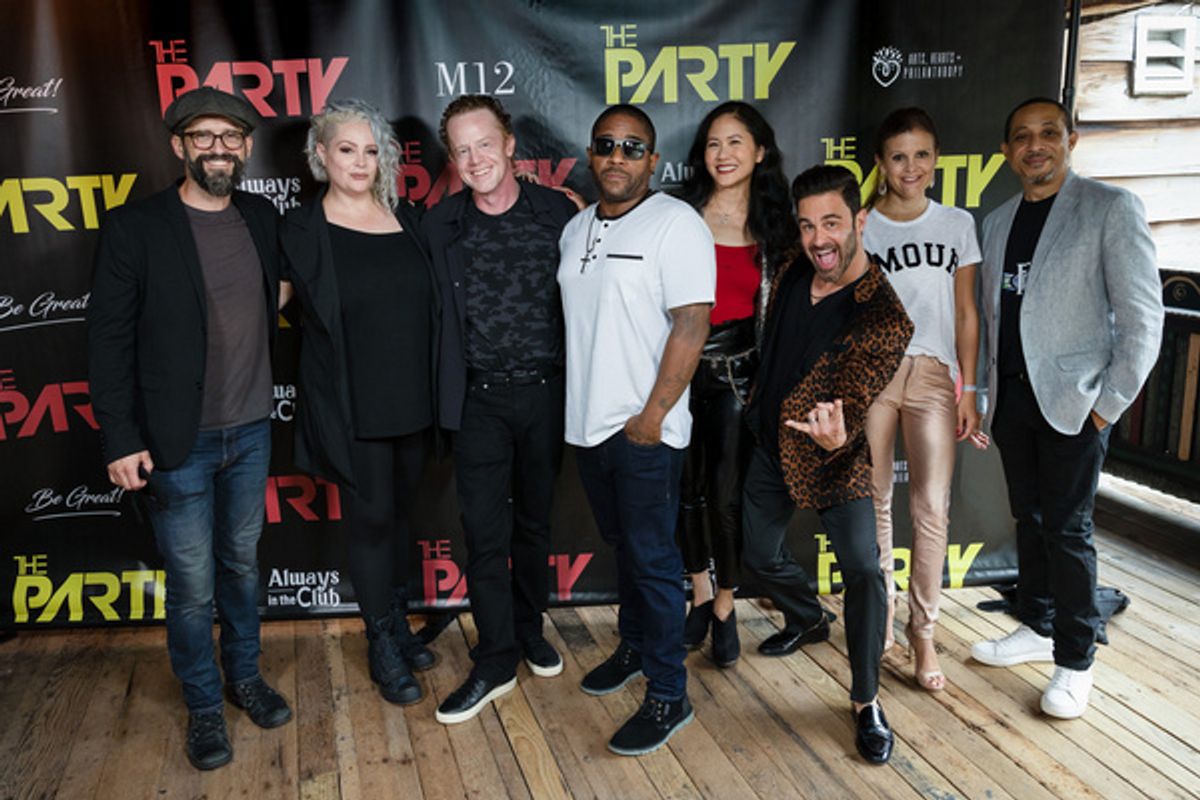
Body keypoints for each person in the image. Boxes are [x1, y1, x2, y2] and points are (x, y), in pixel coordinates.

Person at [88, 87, 291, 771]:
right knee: (193, 583)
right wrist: (119, 437)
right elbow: (107, 342)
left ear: (246, 148)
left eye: (230, 137)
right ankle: (204, 706)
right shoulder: (135, 227)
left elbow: (285, 290)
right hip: (179, 441)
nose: (217, 149)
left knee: (240, 564)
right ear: (178, 145)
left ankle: (246, 679)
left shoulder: (262, 215)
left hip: (252, 431)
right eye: (202, 136)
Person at [970, 97, 1163, 718]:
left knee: (1070, 530)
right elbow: (993, 317)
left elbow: (1143, 320)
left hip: (1076, 406)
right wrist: (982, 395)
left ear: (1070, 140)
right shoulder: (996, 221)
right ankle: (1037, 624)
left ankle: (1076, 659)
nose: (1035, 146)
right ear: (1006, 151)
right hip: (1013, 403)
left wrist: (1107, 406)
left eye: (1048, 133)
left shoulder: (1110, 208)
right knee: (1028, 520)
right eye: (1021, 136)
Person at [741, 165, 912, 764]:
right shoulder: (794, 263)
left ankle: (866, 700)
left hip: (837, 459)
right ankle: (809, 615)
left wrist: (838, 435)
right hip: (768, 443)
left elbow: (860, 383)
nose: (820, 238)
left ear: (861, 221)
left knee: (865, 571)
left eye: (833, 222)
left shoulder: (883, 316)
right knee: (757, 557)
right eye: (809, 224)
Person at [559, 104, 715, 756]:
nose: (617, 156)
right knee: (625, 546)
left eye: (632, 147)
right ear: (592, 155)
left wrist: (653, 415)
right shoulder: (575, 229)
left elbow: (691, 323)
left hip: (644, 430)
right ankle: (634, 644)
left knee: (652, 561)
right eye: (606, 145)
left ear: (652, 161)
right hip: (587, 427)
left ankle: (667, 693)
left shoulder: (676, 224)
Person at [423, 94, 579, 724]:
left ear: (510, 144)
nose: (474, 159)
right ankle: (494, 659)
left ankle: (528, 629)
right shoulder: (440, 225)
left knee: (535, 526)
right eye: (460, 150)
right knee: (485, 535)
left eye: (484, 143)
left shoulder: (561, 213)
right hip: (479, 399)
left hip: (546, 392)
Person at [279, 98, 438, 707]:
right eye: (347, 149)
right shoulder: (299, 229)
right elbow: (267, 303)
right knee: (369, 523)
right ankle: (380, 641)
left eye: (372, 151)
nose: (361, 161)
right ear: (321, 155)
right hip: (352, 405)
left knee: (400, 516)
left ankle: (397, 620)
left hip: (413, 402)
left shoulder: (408, 218)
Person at [862, 107, 985, 692]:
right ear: (881, 164)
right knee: (876, 500)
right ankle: (881, 617)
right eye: (898, 156)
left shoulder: (957, 223)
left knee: (932, 509)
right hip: (875, 375)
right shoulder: (862, 225)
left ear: (936, 161)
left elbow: (966, 312)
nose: (910, 167)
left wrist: (969, 387)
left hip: (936, 374)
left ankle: (924, 631)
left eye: (921, 155)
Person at [675, 101, 797, 667]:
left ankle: (726, 604)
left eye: (734, 143)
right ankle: (698, 591)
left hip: (737, 375)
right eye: (713, 144)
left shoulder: (777, 226)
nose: (722, 155)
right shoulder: (677, 214)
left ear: (760, 151)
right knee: (684, 492)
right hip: (677, 368)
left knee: (724, 498)